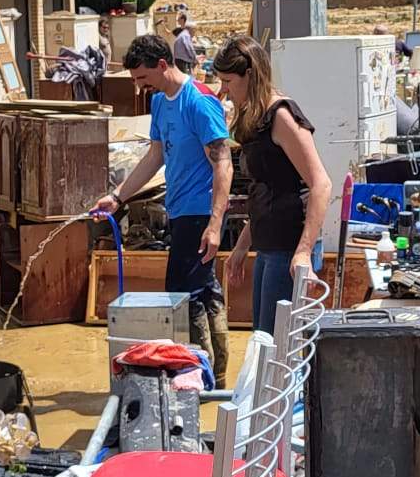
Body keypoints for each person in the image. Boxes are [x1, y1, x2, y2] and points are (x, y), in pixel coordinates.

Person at [96, 34, 232, 366]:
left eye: (142, 77)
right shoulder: (159, 102)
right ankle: (216, 377)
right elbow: (155, 156)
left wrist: (215, 225)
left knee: (184, 296)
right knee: (204, 292)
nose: (139, 86)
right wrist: (119, 197)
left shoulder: (199, 102)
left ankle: (198, 380)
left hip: (200, 212)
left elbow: (223, 164)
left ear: (162, 65)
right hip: (180, 210)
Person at [214, 36, 333, 335]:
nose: (223, 91)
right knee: (263, 338)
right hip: (267, 245)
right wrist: (242, 247)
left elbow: (321, 184)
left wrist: (304, 250)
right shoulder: (254, 118)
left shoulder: (281, 116)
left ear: (250, 75)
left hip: (289, 246)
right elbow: (265, 189)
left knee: (278, 344)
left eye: (228, 81)